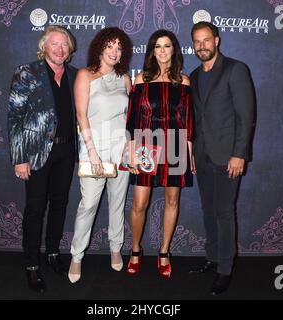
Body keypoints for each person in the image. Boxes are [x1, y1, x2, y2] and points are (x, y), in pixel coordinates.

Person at [7, 26, 78, 293]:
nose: (60, 49)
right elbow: (14, 117)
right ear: (44, 46)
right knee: (35, 209)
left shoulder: (74, 75)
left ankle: (52, 253)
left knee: (60, 203)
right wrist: (19, 157)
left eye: (65, 45)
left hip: (67, 151)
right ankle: (31, 266)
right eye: (55, 44)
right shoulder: (27, 72)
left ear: (70, 49)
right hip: (35, 153)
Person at [189, 21, 255, 295]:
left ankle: (225, 268)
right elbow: (195, 118)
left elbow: (246, 116)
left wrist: (239, 154)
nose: (201, 46)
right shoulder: (192, 75)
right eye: (197, 41)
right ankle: (213, 257)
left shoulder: (235, 69)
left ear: (217, 40)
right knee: (208, 210)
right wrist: (192, 151)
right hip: (203, 155)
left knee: (224, 212)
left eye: (206, 40)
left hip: (228, 156)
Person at [126, 29, 194, 279]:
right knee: (139, 203)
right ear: (152, 51)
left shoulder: (184, 82)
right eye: (157, 46)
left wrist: (190, 154)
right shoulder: (141, 80)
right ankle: (135, 249)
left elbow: (188, 121)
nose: (162, 51)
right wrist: (131, 152)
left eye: (167, 46)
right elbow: (132, 120)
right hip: (145, 144)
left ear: (174, 49)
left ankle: (164, 252)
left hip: (175, 144)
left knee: (172, 201)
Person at [68, 27, 132, 283]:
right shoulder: (85, 75)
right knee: (89, 205)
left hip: (120, 149)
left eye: (119, 48)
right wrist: (92, 153)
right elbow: (81, 116)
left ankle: (115, 249)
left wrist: (130, 147)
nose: (115, 52)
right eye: (110, 46)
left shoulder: (124, 78)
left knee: (117, 203)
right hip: (95, 149)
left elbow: (129, 118)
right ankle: (76, 255)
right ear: (99, 48)